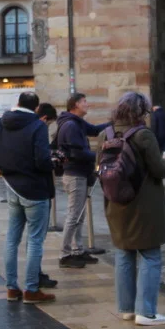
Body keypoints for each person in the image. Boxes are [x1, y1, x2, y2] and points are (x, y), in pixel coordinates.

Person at [98, 92, 165, 326]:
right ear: (141, 111)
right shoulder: (143, 135)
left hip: (115, 202)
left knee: (124, 254)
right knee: (151, 255)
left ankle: (127, 309)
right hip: (143, 204)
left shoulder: (105, 134)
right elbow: (159, 170)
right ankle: (146, 312)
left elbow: (99, 168)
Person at [0, 91, 56, 305]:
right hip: (35, 188)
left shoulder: (2, 122)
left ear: (18, 103)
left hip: (12, 186)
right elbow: (42, 160)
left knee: (12, 239)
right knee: (35, 240)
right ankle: (31, 289)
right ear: (36, 108)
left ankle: (12, 288)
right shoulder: (37, 126)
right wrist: (53, 164)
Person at [55, 93, 110, 268]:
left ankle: (77, 250)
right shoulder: (70, 125)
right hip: (75, 175)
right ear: (76, 104)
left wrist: (114, 122)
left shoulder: (76, 122)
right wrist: (100, 156)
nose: (88, 104)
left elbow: (94, 130)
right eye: (84, 101)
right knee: (74, 216)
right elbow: (77, 153)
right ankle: (65, 255)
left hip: (80, 174)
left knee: (79, 215)